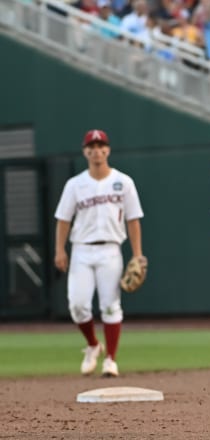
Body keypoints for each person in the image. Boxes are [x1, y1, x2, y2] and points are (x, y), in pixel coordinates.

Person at [54, 129, 145, 378]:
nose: (96, 150)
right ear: (85, 151)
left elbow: (133, 219)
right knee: (78, 306)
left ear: (108, 150)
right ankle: (93, 345)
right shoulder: (75, 184)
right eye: (91, 146)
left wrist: (137, 255)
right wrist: (59, 250)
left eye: (100, 145)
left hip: (110, 250)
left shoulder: (123, 182)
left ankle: (111, 360)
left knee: (110, 306)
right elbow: (63, 220)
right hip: (81, 250)